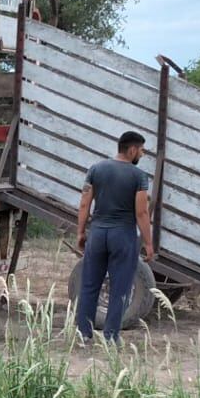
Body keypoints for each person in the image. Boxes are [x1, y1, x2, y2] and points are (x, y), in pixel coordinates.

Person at [75, 131, 155, 344]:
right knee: (120, 287)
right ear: (131, 150)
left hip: (98, 233)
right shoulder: (138, 176)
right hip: (123, 235)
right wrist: (148, 243)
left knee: (90, 285)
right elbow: (141, 213)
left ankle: (84, 335)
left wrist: (81, 232)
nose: (142, 154)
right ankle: (111, 337)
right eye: (141, 150)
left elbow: (84, 204)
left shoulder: (96, 169)